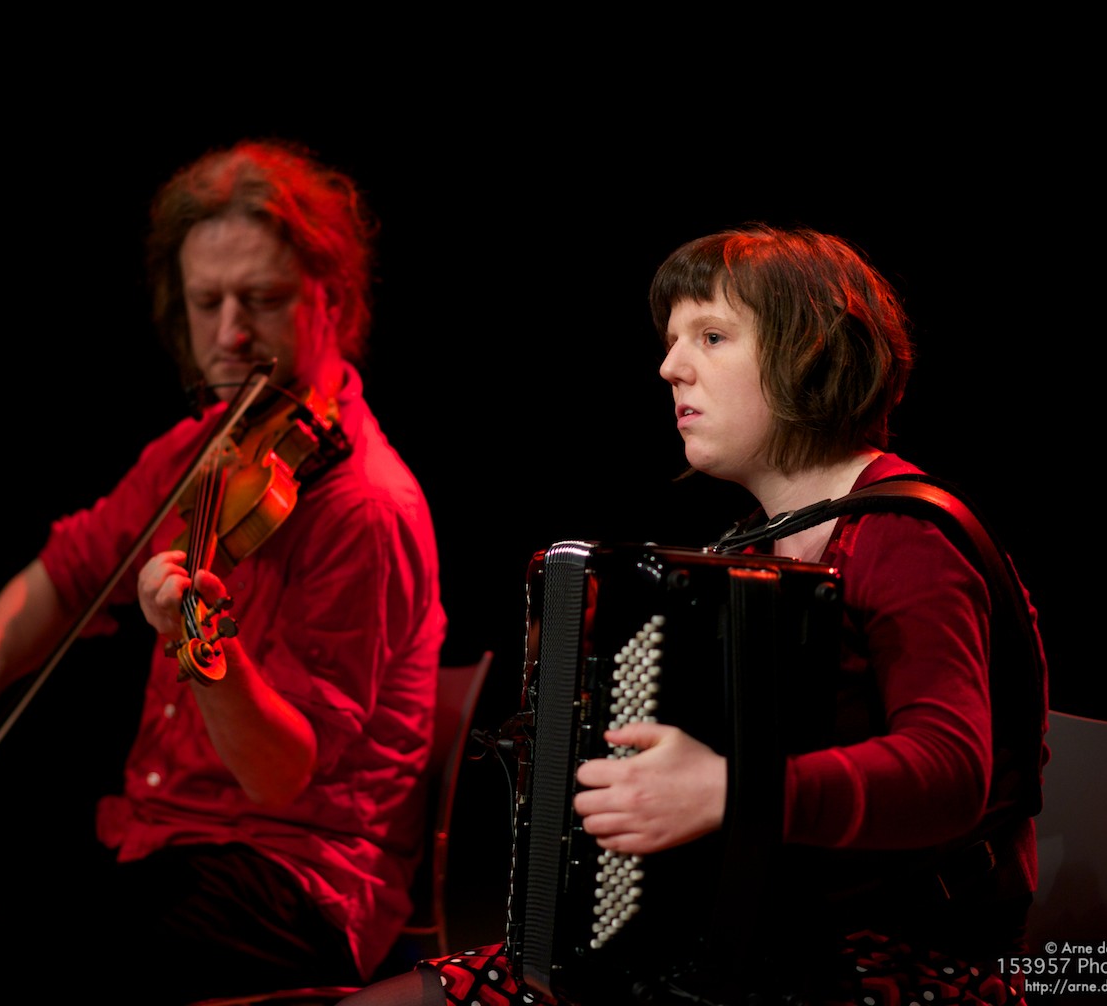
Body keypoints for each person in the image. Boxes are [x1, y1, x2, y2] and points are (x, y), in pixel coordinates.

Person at [340, 223, 1047, 1006]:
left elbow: (949, 773)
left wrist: (728, 791)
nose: (670, 366)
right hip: (757, 947)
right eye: (673, 340)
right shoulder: (753, 551)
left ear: (811, 352)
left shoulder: (903, 536)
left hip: (899, 961)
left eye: (710, 336)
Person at [0, 140, 446, 1004]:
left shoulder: (363, 507)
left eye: (260, 301)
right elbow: (65, 574)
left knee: (1, 965)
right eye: (205, 302)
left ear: (328, 302)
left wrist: (203, 648)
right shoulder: (204, 449)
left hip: (291, 880)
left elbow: (279, 775)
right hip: (159, 841)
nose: (229, 335)